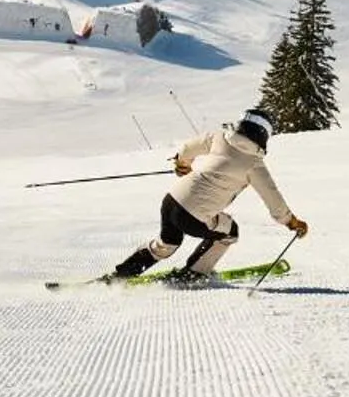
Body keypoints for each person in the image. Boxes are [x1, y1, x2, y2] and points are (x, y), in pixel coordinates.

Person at [107, 108, 308, 286]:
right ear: (264, 134)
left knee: (168, 243)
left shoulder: (219, 137)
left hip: (172, 200)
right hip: (194, 216)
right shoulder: (254, 164)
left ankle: (121, 274)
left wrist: (183, 164)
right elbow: (273, 199)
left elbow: (187, 149)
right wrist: (291, 222)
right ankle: (194, 273)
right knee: (230, 232)